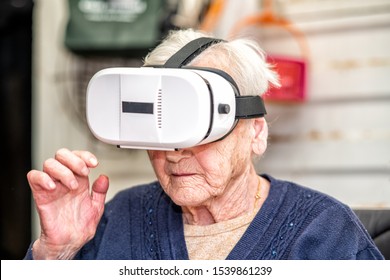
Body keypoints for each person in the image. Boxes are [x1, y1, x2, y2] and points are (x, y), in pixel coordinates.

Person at [24, 28, 383, 260]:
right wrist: (56, 253)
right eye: (160, 128)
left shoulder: (325, 232)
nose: (176, 151)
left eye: (199, 127)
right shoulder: (118, 218)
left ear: (256, 133)